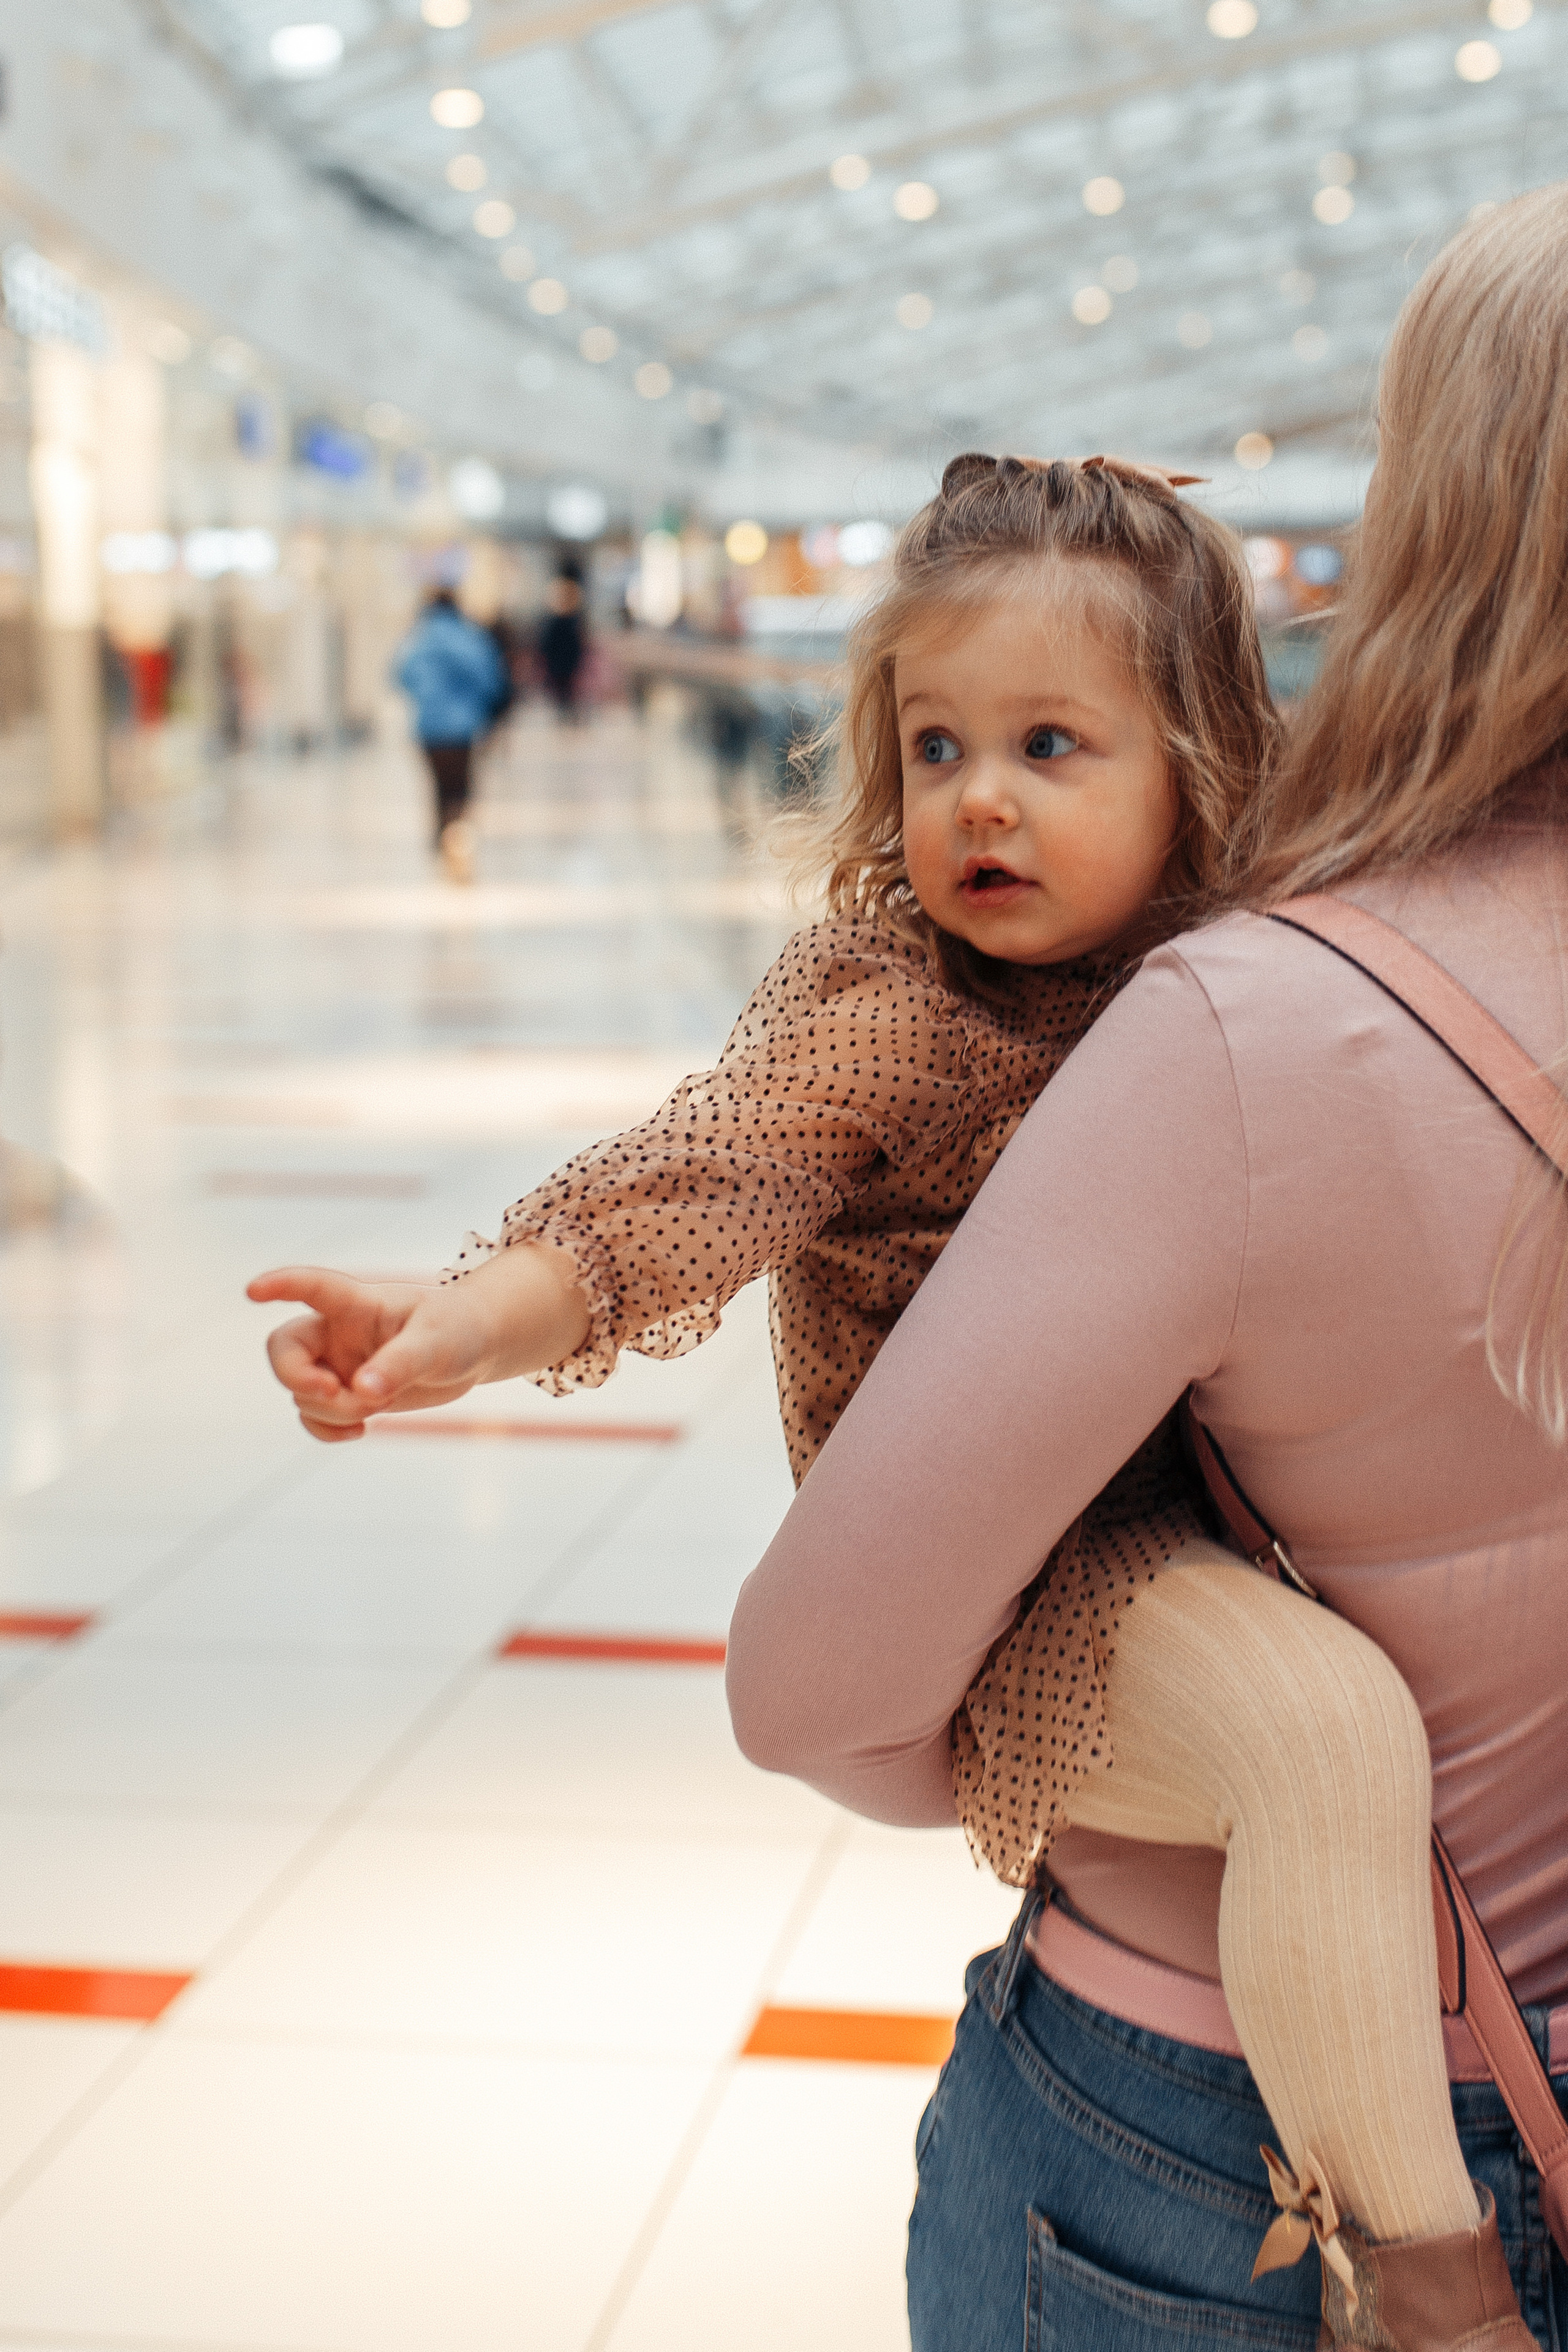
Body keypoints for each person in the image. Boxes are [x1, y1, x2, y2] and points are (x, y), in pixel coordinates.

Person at [247, 447, 1501, 2342]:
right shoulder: (903, 1008)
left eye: (1050, 746)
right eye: (936, 748)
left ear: (1199, 763)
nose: (979, 797)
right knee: (1318, 1737)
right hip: (1030, 1574)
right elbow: (687, 1181)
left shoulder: (1241, 959)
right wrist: (462, 1319)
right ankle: (1438, 2290)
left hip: (1221, 1511)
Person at [725, 189, 1568, 2350]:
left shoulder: (1258, 1022)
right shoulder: (953, 1007)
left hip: (1204, 2134)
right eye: (939, 747)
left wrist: (1058, 1730)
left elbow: (815, 1689)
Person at [394, 587, 505, 883]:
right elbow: (491, 680)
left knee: (439, 789)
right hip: (463, 729)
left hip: (429, 729)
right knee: (461, 789)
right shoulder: (470, 638)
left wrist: (427, 695)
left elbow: (400, 676)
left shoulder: (418, 639)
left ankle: (443, 844)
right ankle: (461, 844)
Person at [537, 559, 588, 719]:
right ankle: (565, 712)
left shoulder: (560, 591)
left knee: (562, 689)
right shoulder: (572, 593)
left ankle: (564, 712)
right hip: (565, 650)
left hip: (561, 651)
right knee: (565, 688)